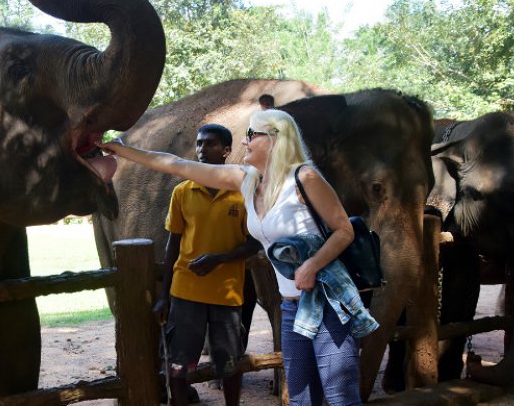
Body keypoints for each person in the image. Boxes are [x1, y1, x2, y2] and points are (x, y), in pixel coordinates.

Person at [99, 109, 377, 406]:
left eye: (251, 135)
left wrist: (312, 265)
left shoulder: (304, 177)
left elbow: (344, 230)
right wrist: (123, 151)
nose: (244, 141)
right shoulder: (247, 180)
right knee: (301, 398)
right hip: (291, 306)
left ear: (275, 139)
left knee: (340, 398)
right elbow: (177, 165)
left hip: (327, 300)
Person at [155, 123, 261, 406]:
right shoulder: (182, 192)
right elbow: (172, 245)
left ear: (226, 151)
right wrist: (164, 295)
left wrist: (220, 258)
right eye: (199, 143)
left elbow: (255, 243)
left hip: (227, 294)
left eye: (210, 143)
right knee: (178, 365)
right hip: (185, 292)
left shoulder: (243, 193)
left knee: (230, 364)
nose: (202, 149)